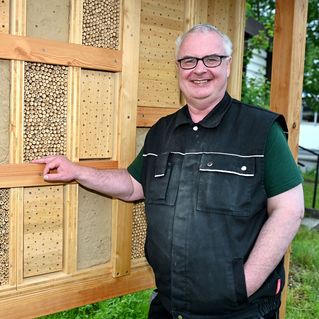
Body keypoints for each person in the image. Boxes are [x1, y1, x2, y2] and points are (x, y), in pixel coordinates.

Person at [33, 24, 304, 319]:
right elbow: (134, 185)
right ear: (178, 69)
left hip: (239, 310)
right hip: (170, 305)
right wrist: (78, 172)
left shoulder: (260, 130)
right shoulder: (162, 131)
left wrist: (245, 283)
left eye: (211, 59)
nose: (199, 69)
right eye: (188, 61)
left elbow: (289, 210)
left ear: (228, 65)